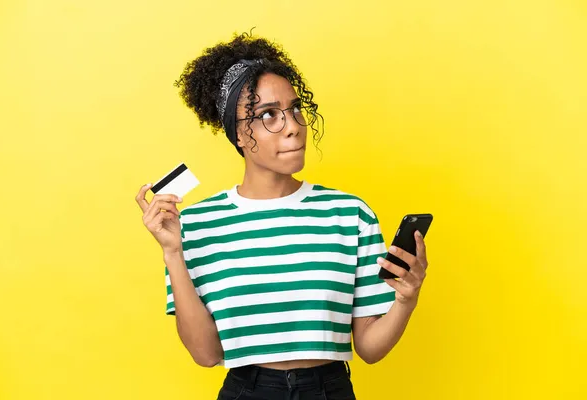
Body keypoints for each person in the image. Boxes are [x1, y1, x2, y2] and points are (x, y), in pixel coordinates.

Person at [135, 29, 429, 400]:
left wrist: (406, 299)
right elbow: (206, 355)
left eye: (294, 110)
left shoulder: (349, 214)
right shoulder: (193, 225)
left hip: (330, 389)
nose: (292, 127)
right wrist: (173, 252)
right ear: (239, 134)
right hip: (247, 390)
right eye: (269, 115)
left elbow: (370, 348)